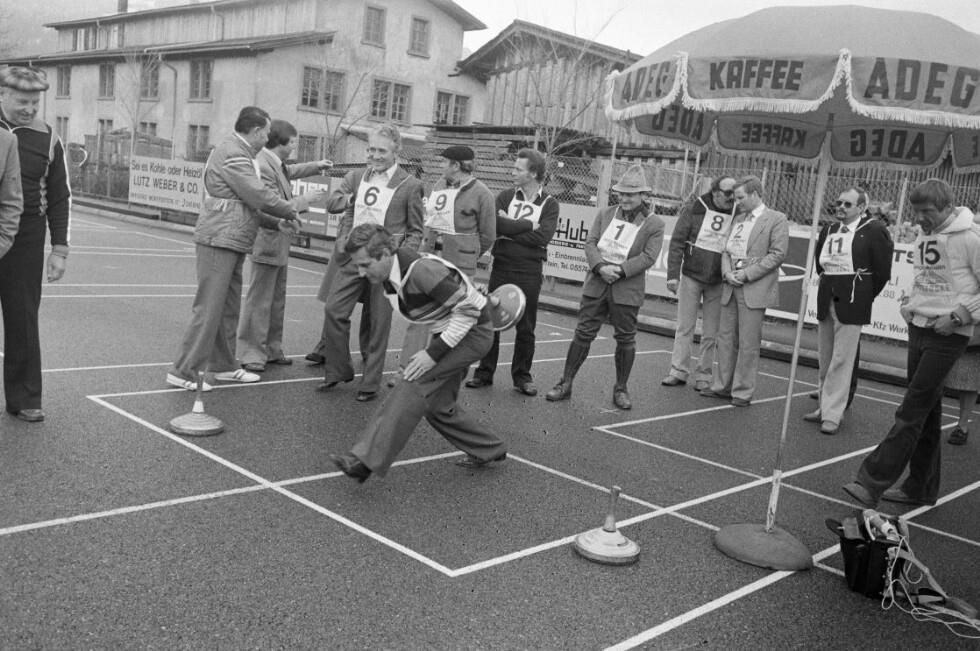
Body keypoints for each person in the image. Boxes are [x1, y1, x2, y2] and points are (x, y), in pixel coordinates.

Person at [329, 223, 508, 483]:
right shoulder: (392, 272)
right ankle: (490, 448)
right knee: (437, 407)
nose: (360, 272)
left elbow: (468, 312)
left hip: (472, 334)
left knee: (412, 382)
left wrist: (432, 354)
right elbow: (453, 288)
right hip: (450, 331)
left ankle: (364, 462)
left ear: (385, 254)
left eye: (365, 265)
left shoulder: (421, 271)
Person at [843, 179, 980, 509]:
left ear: (947, 207)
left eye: (927, 211)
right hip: (919, 327)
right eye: (915, 211)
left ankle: (871, 482)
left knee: (912, 408)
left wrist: (960, 315)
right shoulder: (925, 233)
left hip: (948, 333)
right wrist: (909, 302)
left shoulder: (971, 237)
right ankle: (921, 486)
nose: (919, 218)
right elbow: (926, 276)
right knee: (927, 412)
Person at [167, 106, 300, 392]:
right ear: (256, 131)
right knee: (208, 307)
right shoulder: (234, 153)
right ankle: (183, 370)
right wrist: (293, 208)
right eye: (266, 132)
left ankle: (224, 365)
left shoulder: (242, 153)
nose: (268, 137)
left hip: (231, 237)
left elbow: (245, 204)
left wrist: (276, 223)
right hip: (219, 238)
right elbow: (257, 195)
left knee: (227, 307)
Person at [306, 123, 424, 402]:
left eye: (381, 151)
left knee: (378, 323)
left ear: (396, 151)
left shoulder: (410, 185)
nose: (375, 155)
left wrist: (399, 258)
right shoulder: (357, 176)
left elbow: (416, 230)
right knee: (334, 310)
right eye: (371, 149)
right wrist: (345, 238)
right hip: (353, 258)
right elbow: (342, 208)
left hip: (384, 262)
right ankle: (338, 370)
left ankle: (370, 383)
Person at [545, 164, 664, 410]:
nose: (625, 199)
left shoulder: (654, 224)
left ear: (643, 195)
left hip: (626, 288)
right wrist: (600, 267)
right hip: (597, 283)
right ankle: (565, 383)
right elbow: (590, 243)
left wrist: (619, 271)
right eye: (622, 193)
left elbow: (649, 257)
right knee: (583, 333)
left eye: (631, 194)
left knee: (626, 338)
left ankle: (621, 389)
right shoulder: (605, 213)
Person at [0, 66, 70, 423]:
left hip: (27, 236)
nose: (29, 109)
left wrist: (59, 249)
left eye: (35, 102)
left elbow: (60, 197)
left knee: (23, 317)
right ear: (2, 95)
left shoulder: (48, 137)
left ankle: (25, 398)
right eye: (22, 101)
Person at [236, 119, 330, 372]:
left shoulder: (274, 163)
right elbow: (270, 205)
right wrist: (304, 200)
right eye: (293, 143)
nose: (295, 147)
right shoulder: (264, 166)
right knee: (260, 302)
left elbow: (290, 171)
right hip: (268, 241)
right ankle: (252, 353)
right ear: (280, 144)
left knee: (276, 301)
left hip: (279, 243)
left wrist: (317, 166)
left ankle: (271, 349)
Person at [465, 148, 559, 396]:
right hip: (502, 266)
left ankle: (522, 377)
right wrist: (526, 226)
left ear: (533, 173)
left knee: (526, 327)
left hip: (529, 270)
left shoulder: (550, 204)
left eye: (518, 169)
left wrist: (511, 228)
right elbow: (496, 226)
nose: (513, 172)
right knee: (491, 319)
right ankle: (484, 372)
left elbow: (543, 237)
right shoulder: (506, 196)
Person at [397, 145, 497, 376]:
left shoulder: (482, 193)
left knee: (456, 320)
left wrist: (468, 254)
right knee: (420, 313)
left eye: (444, 162)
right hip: (431, 259)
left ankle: (445, 373)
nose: (441, 166)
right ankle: (406, 368)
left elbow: (488, 235)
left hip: (460, 265)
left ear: (456, 165)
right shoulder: (439, 185)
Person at [804, 186, 893, 434]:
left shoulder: (874, 230)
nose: (841, 207)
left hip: (853, 301)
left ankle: (833, 414)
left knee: (842, 360)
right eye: (839, 203)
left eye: (847, 204)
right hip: (827, 298)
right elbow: (820, 264)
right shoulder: (829, 229)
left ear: (861, 208)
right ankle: (824, 406)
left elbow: (882, 271)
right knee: (825, 358)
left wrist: (863, 294)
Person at [701, 175, 788, 407]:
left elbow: (777, 254)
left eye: (740, 197)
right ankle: (722, 386)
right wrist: (727, 273)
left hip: (754, 288)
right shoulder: (738, 218)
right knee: (725, 339)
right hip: (731, 286)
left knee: (748, 343)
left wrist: (747, 274)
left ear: (755, 194)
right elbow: (726, 250)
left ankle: (742, 391)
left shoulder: (776, 219)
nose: (736, 202)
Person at [662, 175, 736, 391]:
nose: (732, 197)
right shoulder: (695, 208)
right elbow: (677, 241)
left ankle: (704, 374)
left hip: (718, 280)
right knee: (685, 327)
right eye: (728, 193)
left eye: (735, 192)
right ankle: (678, 371)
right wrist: (673, 275)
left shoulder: (738, 213)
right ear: (715, 193)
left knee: (711, 332)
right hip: (692, 276)